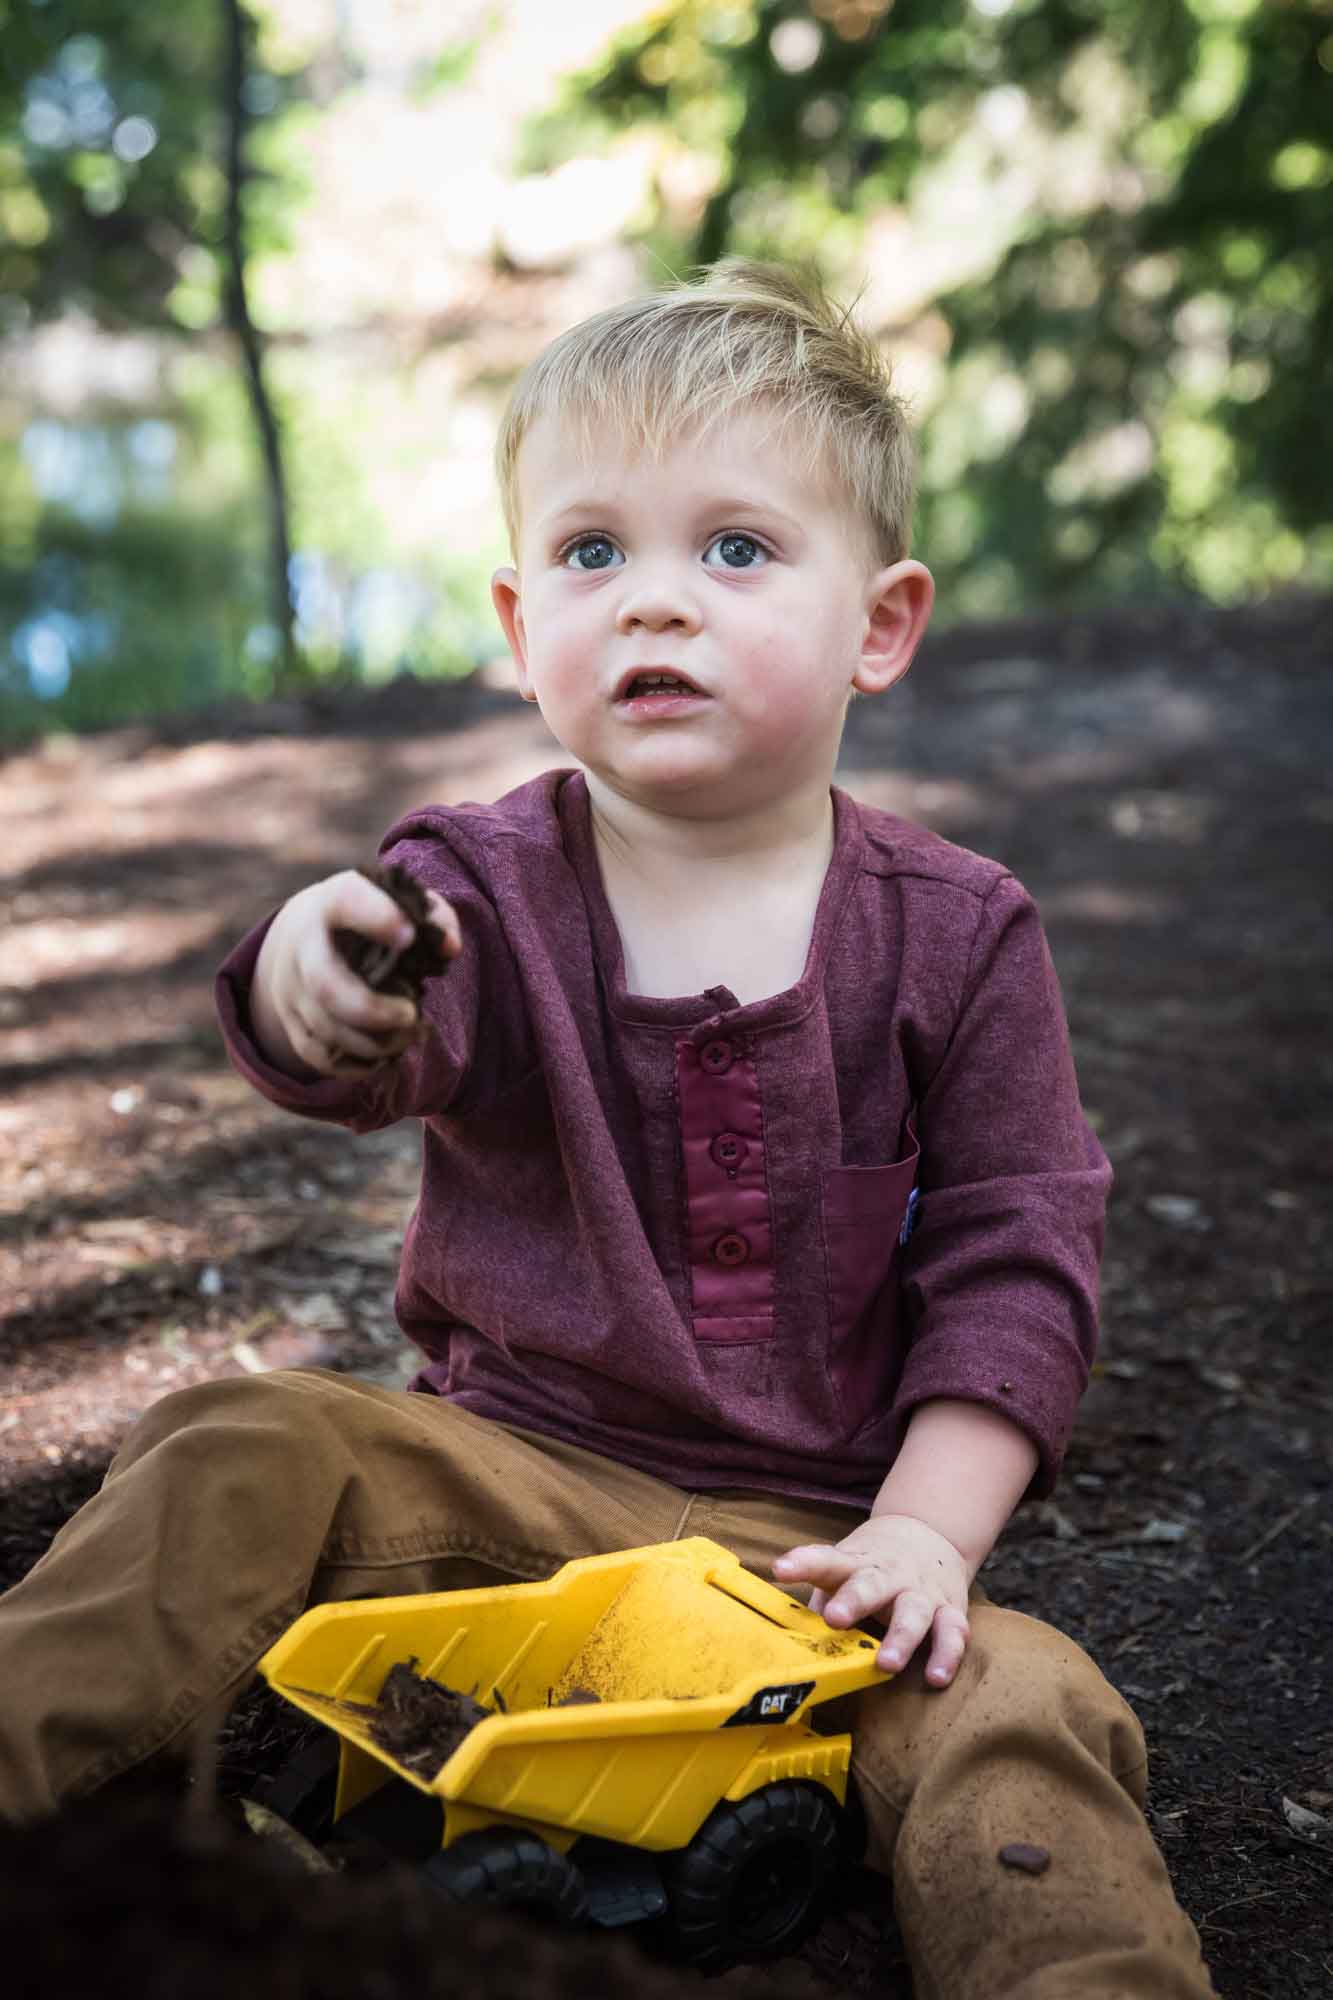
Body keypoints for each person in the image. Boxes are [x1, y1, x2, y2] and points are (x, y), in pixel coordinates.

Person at [0, 261, 1216, 1997]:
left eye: (734, 550)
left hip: (812, 1565)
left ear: (879, 622)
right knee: (235, 1443)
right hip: (503, 1484)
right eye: (593, 554)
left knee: (1033, 1708)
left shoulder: (957, 931)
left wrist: (923, 1540)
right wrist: (307, 970)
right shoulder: (476, 884)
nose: (654, 604)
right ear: (517, 628)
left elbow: (1018, 1254)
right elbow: (369, 1026)